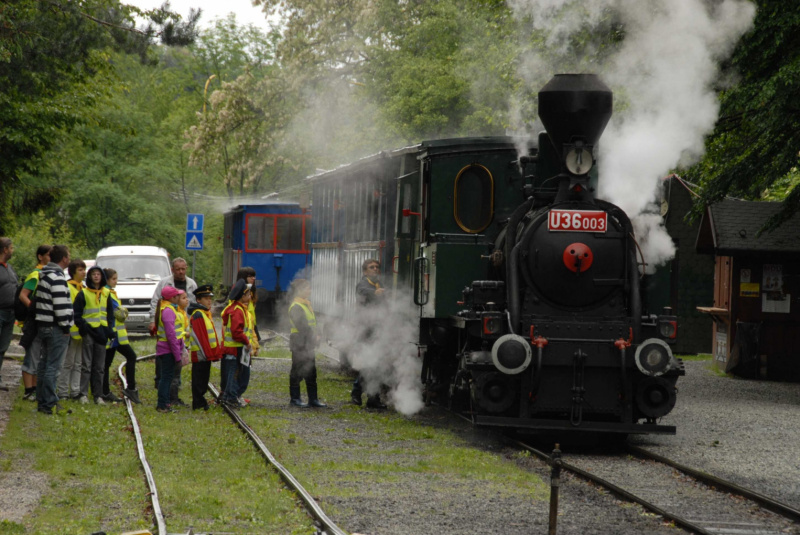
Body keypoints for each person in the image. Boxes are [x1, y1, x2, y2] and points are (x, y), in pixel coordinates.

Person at [149, 257, 196, 404]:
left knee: (177, 360)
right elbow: (155, 301)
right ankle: (165, 390)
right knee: (169, 361)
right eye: (178, 269)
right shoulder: (165, 284)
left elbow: (194, 304)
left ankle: (173, 388)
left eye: (183, 269)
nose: (181, 272)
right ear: (172, 269)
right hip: (171, 332)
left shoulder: (191, 284)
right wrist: (152, 320)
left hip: (183, 324)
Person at [33, 244, 73, 415]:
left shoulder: (45, 274)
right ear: (64, 258)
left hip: (43, 324)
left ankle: (42, 400)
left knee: (44, 364)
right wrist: (65, 325)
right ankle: (49, 402)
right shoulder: (56, 277)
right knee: (53, 367)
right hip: (55, 326)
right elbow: (60, 304)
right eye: (68, 256)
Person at [73, 265, 114, 404]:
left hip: (101, 333)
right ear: (89, 277)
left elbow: (110, 314)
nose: (96, 276)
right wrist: (83, 327)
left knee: (99, 366)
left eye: (98, 274)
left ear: (102, 277)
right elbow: (76, 314)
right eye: (93, 274)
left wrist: (109, 329)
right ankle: (83, 394)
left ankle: (98, 395)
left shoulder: (106, 293)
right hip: (89, 332)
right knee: (86, 364)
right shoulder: (83, 293)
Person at [350, 258, 387, 409]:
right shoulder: (363, 284)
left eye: (377, 267)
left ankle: (367, 395)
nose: (375, 269)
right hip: (366, 330)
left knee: (374, 365)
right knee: (371, 364)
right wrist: (377, 293)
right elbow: (365, 293)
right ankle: (365, 395)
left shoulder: (380, 284)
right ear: (365, 271)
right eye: (371, 267)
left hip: (377, 329)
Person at [102, 268, 140, 404]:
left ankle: (105, 391)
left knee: (106, 363)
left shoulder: (110, 292)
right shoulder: (107, 293)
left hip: (115, 335)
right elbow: (119, 313)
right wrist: (124, 311)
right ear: (106, 280)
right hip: (113, 335)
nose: (116, 282)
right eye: (113, 279)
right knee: (129, 357)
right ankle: (129, 389)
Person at [18, 245, 51, 399]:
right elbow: (23, 295)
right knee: (32, 354)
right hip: (34, 321)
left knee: (40, 355)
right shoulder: (35, 275)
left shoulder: (48, 274)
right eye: (49, 255)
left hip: (44, 321)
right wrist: (34, 309)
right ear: (40, 257)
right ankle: (28, 390)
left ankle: (36, 388)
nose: (51, 258)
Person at [288, 279, 326, 408]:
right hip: (299, 343)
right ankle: (295, 399)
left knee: (311, 372)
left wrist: (318, 334)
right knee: (297, 371)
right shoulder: (296, 306)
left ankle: (313, 399)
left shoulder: (306, 305)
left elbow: (313, 322)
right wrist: (313, 336)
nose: (310, 290)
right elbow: (302, 326)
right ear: (299, 290)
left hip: (308, 344)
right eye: (307, 288)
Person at [55, 258, 86, 401]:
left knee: (78, 363)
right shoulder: (69, 287)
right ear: (73, 272)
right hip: (71, 330)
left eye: (84, 269)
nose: (83, 273)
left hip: (81, 332)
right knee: (68, 362)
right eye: (80, 270)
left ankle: (75, 390)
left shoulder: (83, 288)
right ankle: (62, 391)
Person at [188, 284, 222, 411]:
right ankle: (198, 402)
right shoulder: (198, 314)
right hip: (201, 353)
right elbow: (201, 337)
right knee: (199, 378)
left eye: (210, 298)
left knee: (204, 377)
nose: (209, 301)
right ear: (198, 300)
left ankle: (200, 401)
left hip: (205, 354)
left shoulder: (204, 313)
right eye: (206, 298)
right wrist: (209, 354)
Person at [155, 286, 188, 413]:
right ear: (173, 298)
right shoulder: (168, 311)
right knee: (166, 378)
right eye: (177, 296)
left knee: (166, 377)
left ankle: (164, 404)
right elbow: (171, 335)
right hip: (167, 350)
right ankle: (162, 405)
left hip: (165, 349)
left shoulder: (166, 308)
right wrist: (177, 355)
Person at [220, 280, 253, 409]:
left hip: (235, 348)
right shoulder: (238, 311)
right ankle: (232, 398)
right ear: (242, 296)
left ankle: (229, 396)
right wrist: (247, 342)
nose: (250, 297)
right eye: (248, 294)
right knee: (234, 373)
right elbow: (236, 332)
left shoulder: (236, 309)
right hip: (234, 348)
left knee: (234, 372)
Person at [0, 237, 18, 391]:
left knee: (3, 346)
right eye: (11, 248)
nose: (12, 251)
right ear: (5, 249)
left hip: (10, 313)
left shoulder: (10, 268)